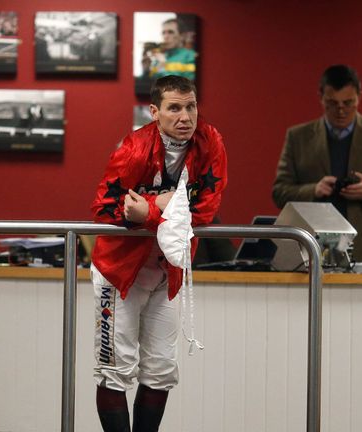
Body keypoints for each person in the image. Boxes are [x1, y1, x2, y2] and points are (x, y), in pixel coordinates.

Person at [90, 75, 227, 431]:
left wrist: (149, 210)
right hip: (119, 271)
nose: (185, 117)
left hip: (168, 271)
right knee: (115, 368)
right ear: (155, 111)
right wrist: (169, 206)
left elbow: (207, 209)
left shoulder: (210, 142)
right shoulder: (133, 148)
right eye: (174, 108)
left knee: (162, 369)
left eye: (191, 106)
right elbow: (104, 208)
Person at [272, 65, 362, 266]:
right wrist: (313, 190)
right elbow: (279, 193)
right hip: (313, 252)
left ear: (359, 97)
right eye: (332, 103)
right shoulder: (298, 137)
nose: (341, 111)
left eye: (348, 103)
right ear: (321, 98)